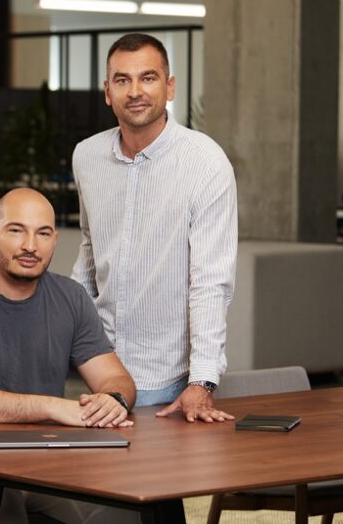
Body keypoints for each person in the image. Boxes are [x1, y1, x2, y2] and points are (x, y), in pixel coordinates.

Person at [0, 188, 138, 524]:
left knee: (125, 510)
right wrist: (52, 407)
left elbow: (115, 377)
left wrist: (114, 400)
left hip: (41, 462)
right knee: (2, 508)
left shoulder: (71, 297)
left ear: (55, 241)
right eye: (16, 230)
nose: (30, 246)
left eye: (43, 233)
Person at [71, 33, 238, 422]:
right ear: (108, 91)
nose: (135, 91)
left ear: (170, 86)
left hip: (169, 381)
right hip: (98, 369)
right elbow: (91, 251)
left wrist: (202, 381)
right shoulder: (87, 156)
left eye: (148, 78)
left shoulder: (206, 163)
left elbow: (211, 282)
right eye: (122, 80)